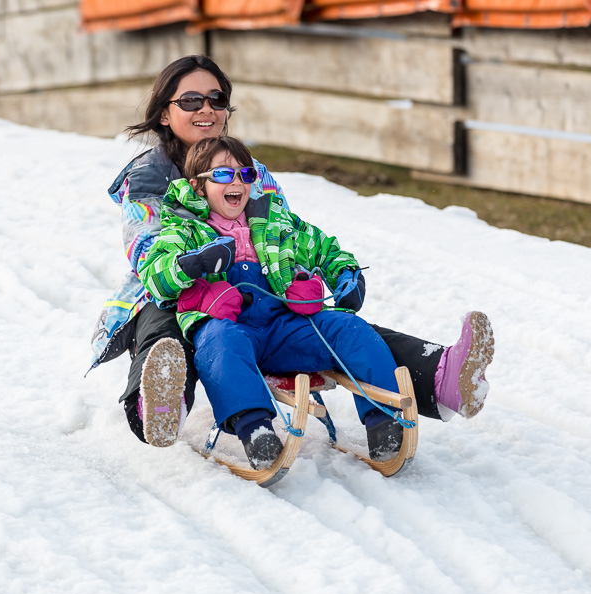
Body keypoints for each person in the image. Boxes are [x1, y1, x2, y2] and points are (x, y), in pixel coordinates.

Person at [89, 54, 494, 447]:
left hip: (257, 291)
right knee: (166, 326)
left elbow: (285, 234)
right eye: (191, 101)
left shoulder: (252, 169)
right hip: (175, 283)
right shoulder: (148, 174)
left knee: (334, 325)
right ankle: (158, 403)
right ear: (164, 113)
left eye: (216, 99)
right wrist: (192, 265)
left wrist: (329, 273)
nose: (206, 109)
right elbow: (146, 248)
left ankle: (441, 375)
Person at [137, 135, 407, 467]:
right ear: (197, 186)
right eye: (222, 174)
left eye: (245, 174)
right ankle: (255, 430)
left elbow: (324, 249)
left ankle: (384, 420)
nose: (236, 182)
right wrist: (194, 264)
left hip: (285, 327)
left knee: (347, 327)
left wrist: (348, 274)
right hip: (230, 327)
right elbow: (154, 275)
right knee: (221, 344)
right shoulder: (184, 228)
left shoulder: (275, 222)